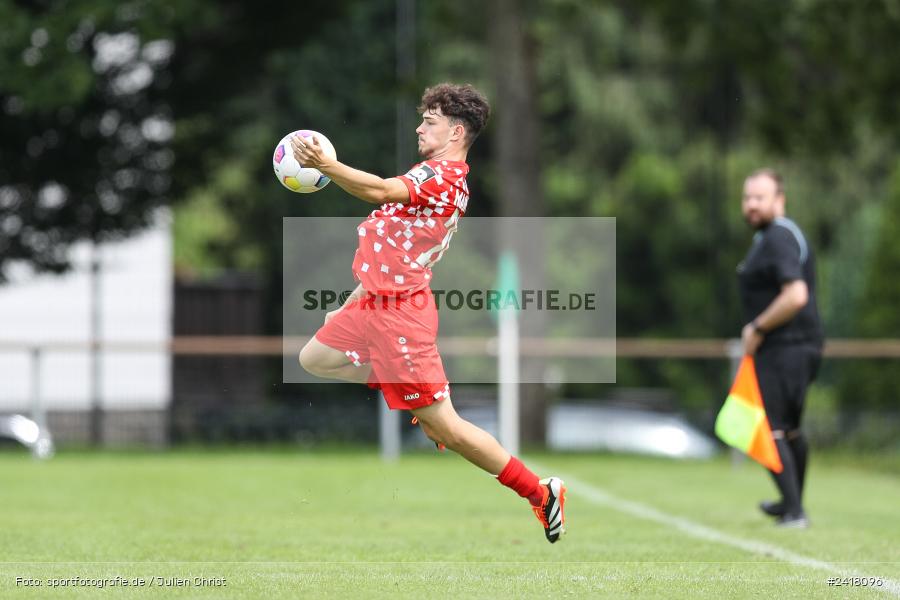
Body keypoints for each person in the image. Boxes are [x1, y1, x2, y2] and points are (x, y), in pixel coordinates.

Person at [290, 83, 566, 543]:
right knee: (314, 358)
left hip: (400, 316)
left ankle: (540, 492)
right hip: (374, 302)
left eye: (430, 121)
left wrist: (326, 166)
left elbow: (378, 190)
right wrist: (351, 300)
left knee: (450, 430)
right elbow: (394, 251)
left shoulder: (442, 177)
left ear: (456, 132)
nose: (420, 127)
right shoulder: (429, 172)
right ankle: (416, 399)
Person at [737, 168, 824, 528]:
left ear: (779, 200)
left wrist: (758, 326)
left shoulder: (777, 237)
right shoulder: (773, 237)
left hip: (787, 346)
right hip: (799, 346)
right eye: (747, 198)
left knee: (766, 427)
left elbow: (796, 294)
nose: (752, 205)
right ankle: (791, 503)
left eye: (760, 197)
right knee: (787, 429)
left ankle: (794, 510)